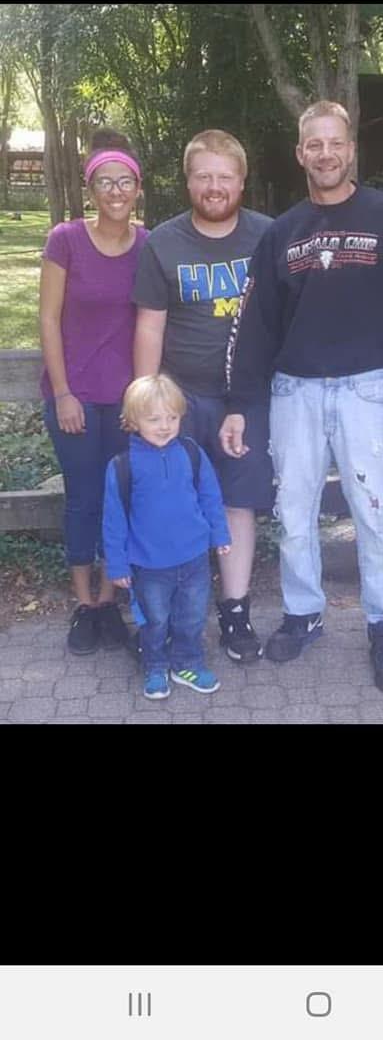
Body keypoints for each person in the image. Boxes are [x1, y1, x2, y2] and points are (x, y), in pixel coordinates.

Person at [221, 100, 383, 695]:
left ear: (351, 149)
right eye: (314, 144)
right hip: (296, 393)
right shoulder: (282, 232)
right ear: (300, 153)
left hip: (370, 390)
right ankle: (303, 613)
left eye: (335, 142)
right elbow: (254, 325)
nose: (325, 153)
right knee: (294, 514)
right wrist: (239, 402)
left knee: (376, 513)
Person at [132, 129, 273, 665]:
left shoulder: (268, 236)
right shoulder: (163, 243)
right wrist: (146, 403)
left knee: (238, 504)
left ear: (242, 181)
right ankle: (169, 618)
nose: (215, 186)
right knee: (172, 502)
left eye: (225, 176)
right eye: (204, 176)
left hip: (247, 398)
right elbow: (149, 326)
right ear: (188, 181)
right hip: (181, 399)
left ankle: (235, 611)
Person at [39, 135, 147, 655]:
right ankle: (84, 605)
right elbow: (48, 318)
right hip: (75, 398)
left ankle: (109, 603)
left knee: (119, 500)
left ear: (137, 189)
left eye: (124, 182)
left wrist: (142, 399)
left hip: (126, 402)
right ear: (91, 189)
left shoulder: (148, 244)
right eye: (105, 182)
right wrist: (63, 392)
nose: (115, 191)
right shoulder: (65, 239)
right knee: (83, 499)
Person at [102, 374, 231, 700]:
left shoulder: (191, 453)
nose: (164, 426)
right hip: (149, 565)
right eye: (154, 419)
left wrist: (220, 534)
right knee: (154, 620)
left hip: (194, 559)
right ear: (132, 421)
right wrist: (117, 565)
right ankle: (156, 666)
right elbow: (114, 521)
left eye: (172, 418)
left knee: (192, 617)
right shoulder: (122, 466)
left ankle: (187, 663)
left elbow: (210, 497)